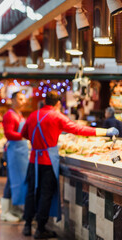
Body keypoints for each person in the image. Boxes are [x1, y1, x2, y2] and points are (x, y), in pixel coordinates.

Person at [20, 91, 119, 239]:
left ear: (45, 101)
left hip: (33, 160)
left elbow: (24, 133)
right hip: (47, 161)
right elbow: (78, 129)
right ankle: (40, 229)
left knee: (32, 191)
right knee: (45, 194)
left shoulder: (33, 115)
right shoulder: (57, 116)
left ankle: (27, 225)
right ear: (58, 103)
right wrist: (104, 132)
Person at [0, 91, 28, 222]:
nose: (24, 102)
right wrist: (25, 136)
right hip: (13, 152)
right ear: (14, 100)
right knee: (12, 181)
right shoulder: (9, 115)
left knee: (18, 181)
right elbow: (9, 134)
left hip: (21, 152)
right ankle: (4, 213)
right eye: (21, 99)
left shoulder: (19, 114)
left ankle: (14, 209)